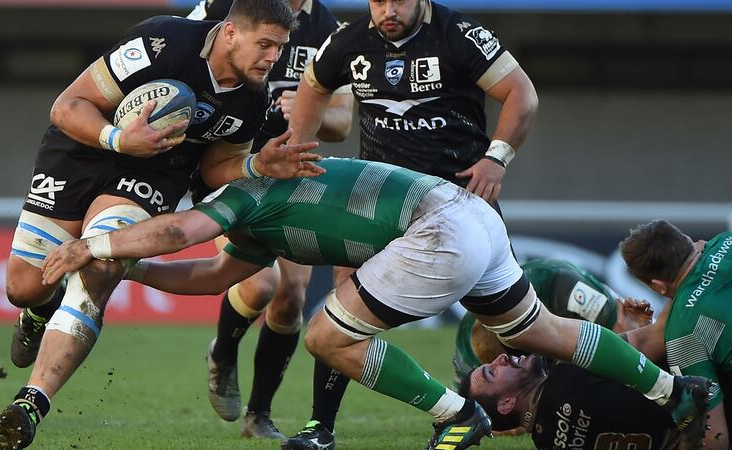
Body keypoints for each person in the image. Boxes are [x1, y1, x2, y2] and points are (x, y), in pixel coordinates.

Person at [41, 158, 711, 450]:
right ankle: (671, 390)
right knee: (544, 330)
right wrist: (136, 271)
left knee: (326, 338)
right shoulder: (247, 213)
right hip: (472, 218)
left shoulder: (243, 189)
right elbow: (214, 274)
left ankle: (461, 415)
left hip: (437, 229)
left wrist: (96, 247)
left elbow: (181, 230)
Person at [0, 2, 325, 449]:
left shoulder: (251, 97)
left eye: (279, 48)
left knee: (102, 264)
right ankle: (38, 310)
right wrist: (119, 138)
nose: (272, 58)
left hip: (154, 173)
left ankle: (31, 402)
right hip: (81, 152)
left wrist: (254, 163)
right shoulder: (161, 42)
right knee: (25, 287)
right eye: (264, 45)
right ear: (229, 34)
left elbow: (214, 170)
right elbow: (67, 105)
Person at [281, 0, 539, 446]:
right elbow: (313, 84)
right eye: (378, 0)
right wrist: (298, 148)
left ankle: (541, 407)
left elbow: (523, 93)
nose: (388, 9)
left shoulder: (458, 35)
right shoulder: (350, 40)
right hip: (379, 200)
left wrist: (496, 160)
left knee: (510, 327)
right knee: (339, 309)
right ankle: (321, 427)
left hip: (460, 204)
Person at [186, 0, 354, 440]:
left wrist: (308, 108)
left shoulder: (329, 29)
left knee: (292, 296)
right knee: (261, 283)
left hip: (287, 172)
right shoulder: (227, 9)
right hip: (227, 165)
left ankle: (258, 416)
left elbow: (341, 120)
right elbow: (181, 64)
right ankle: (223, 353)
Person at [454, 258, 656, 388]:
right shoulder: (469, 350)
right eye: (493, 370)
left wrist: (635, 334)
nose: (503, 363)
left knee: (629, 341)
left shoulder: (563, 288)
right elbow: (469, 401)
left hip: (562, 297)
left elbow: (627, 345)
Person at [620, 220, 732, 450]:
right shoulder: (725, 240)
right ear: (688, 241)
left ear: (659, 286)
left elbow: (715, 440)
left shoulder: (682, 339)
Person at [462, 353, 683, 449]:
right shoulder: (568, 375)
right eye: (492, 373)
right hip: (705, 402)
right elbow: (652, 338)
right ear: (506, 404)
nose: (501, 358)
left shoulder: (545, 443)